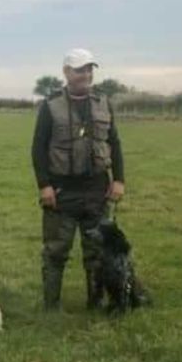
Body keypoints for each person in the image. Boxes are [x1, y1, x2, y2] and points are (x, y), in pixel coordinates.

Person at [31, 48, 124, 311]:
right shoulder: (50, 106)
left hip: (97, 188)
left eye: (89, 69)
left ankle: (95, 302)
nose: (86, 74)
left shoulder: (103, 103)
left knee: (96, 251)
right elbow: (38, 148)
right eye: (80, 69)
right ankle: (51, 306)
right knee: (55, 251)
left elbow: (114, 143)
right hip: (61, 190)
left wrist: (119, 180)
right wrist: (44, 185)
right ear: (67, 72)